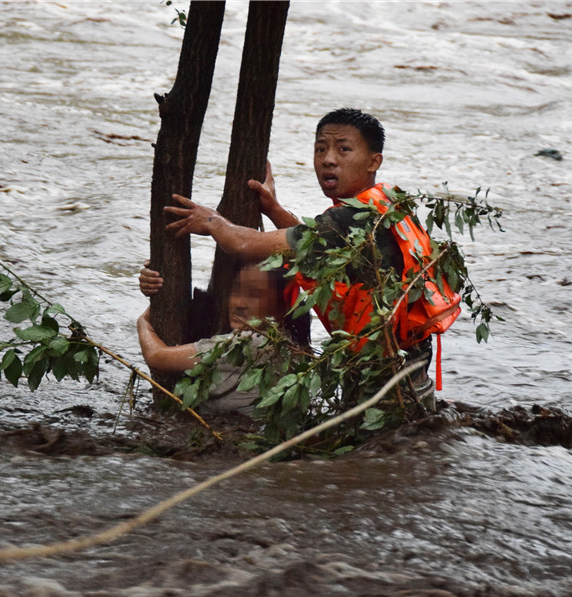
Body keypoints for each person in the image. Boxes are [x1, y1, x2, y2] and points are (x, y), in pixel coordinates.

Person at [163, 108, 445, 409]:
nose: (328, 159)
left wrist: (211, 221)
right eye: (320, 149)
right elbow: (315, 244)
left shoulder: (350, 218)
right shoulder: (386, 201)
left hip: (384, 382)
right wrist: (273, 209)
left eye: (344, 149)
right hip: (410, 365)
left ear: (373, 161)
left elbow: (246, 245)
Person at [137, 263, 309, 417]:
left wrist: (144, 320)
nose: (239, 303)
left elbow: (156, 356)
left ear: (281, 307)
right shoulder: (293, 344)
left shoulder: (252, 345)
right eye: (237, 290)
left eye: (254, 294)